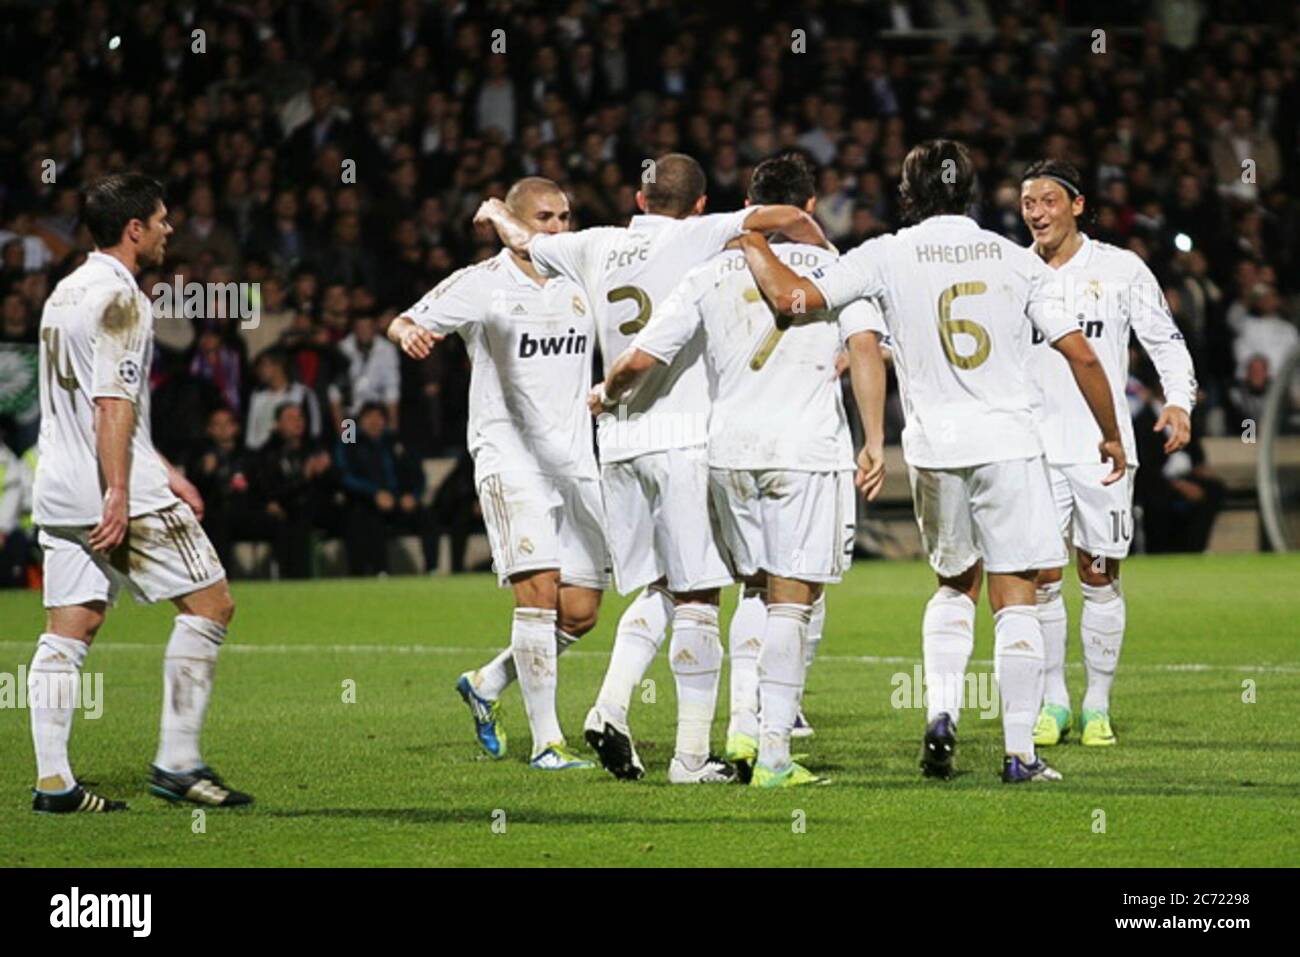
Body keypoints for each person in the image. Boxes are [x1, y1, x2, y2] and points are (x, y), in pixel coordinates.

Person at [737, 140, 1126, 784]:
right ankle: (1019, 753)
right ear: (972, 192)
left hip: (934, 447)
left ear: (908, 193)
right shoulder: (1011, 258)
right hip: (1008, 443)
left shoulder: (886, 254)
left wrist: (753, 244)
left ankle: (942, 714)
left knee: (953, 586)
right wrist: (1110, 433)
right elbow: (1081, 353)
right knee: (1016, 596)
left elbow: (796, 300)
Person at [475, 152, 832, 782]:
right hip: (684, 439)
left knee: (661, 586)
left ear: (639, 201)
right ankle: (692, 756)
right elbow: (780, 216)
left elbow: (526, 241)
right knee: (700, 596)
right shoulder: (700, 235)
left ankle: (611, 707)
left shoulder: (591, 246)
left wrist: (498, 211)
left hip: (616, 442)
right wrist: (812, 234)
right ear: (698, 205)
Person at [596, 152, 889, 787]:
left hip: (726, 453)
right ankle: (772, 750)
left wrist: (605, 390)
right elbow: (866, 348)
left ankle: (732, 732)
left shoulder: (711, 271)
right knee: (791, 598)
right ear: (808, 208)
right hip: (805, 451)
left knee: (746, 588)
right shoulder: (838, 267)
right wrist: (874, 438)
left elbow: (642, 356)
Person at [28, 173, 250, 812]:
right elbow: (109, 403)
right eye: (160, 220)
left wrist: (163, 466)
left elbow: (95, 403)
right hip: (112, 490)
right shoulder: (124, 300)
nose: (168, 230)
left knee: (70, 629)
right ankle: (178, 763)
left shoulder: (65, 292)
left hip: (60, 490)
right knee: (211, 606)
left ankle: (54, 784)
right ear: (134, 230)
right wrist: (122, 491)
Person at [387, 177, 606, 771]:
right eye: (544, 217)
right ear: (514, 221)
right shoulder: (483, 285)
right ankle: (548, 745)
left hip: (576, 464)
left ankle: (486, 682)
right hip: (510, 461)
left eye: (565, 216)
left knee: (581, 610)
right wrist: (411, 334)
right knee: (536, 599)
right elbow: (405, 320)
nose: (559, 227)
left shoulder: (582, 278)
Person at [1019, 159, 1198, 748]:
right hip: (1032, 448)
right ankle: (1054, 702)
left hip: (1102, 448)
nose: (1038, 213)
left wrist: (1179, 404)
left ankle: (1097, 703)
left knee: (1098, 575)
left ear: (1076, 205)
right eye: (1027, 204)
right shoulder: (1012, 272)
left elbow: (1165, 342)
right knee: (1042, 577)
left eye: (1048, 201)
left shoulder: (1120, 269)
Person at [333, 401, 427, 575]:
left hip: (397, 500)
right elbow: (343, 475)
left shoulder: (394, 441)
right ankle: (378, 571)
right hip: (364, 501)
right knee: (364, 517)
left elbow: (417, 473)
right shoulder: (351, 438)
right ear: (360, 421)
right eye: (369, 417)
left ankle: (432, 570)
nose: (375, 422)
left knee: (427, 516)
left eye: (379, 417)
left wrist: (413, 495)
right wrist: (374, 493)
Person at [256, 402, 336, 578]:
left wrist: (327, 471)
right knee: (285, 521)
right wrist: (304, 477)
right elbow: (270, 491)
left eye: (300, 417)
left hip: (316, 510)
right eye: (290, 418)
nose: (297, 422)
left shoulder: (316, 447)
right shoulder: (267, 453)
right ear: (277, 424)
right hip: (284, 512)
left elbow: (335, 483)